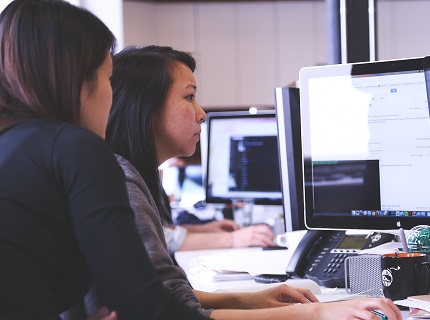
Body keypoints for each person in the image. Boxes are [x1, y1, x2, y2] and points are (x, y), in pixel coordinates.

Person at [105, 45, 402, 320]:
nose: (201, 114)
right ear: (145, 108)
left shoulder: (129, 177)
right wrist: (317, 313)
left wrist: (250, 299)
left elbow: (168, 298)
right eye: (189, 97)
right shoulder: (122, 184)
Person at [0, 1, 211, 319]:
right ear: (78, 81)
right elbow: (147, 308)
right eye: (107, 78)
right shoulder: (74, 148)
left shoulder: (15, 146)